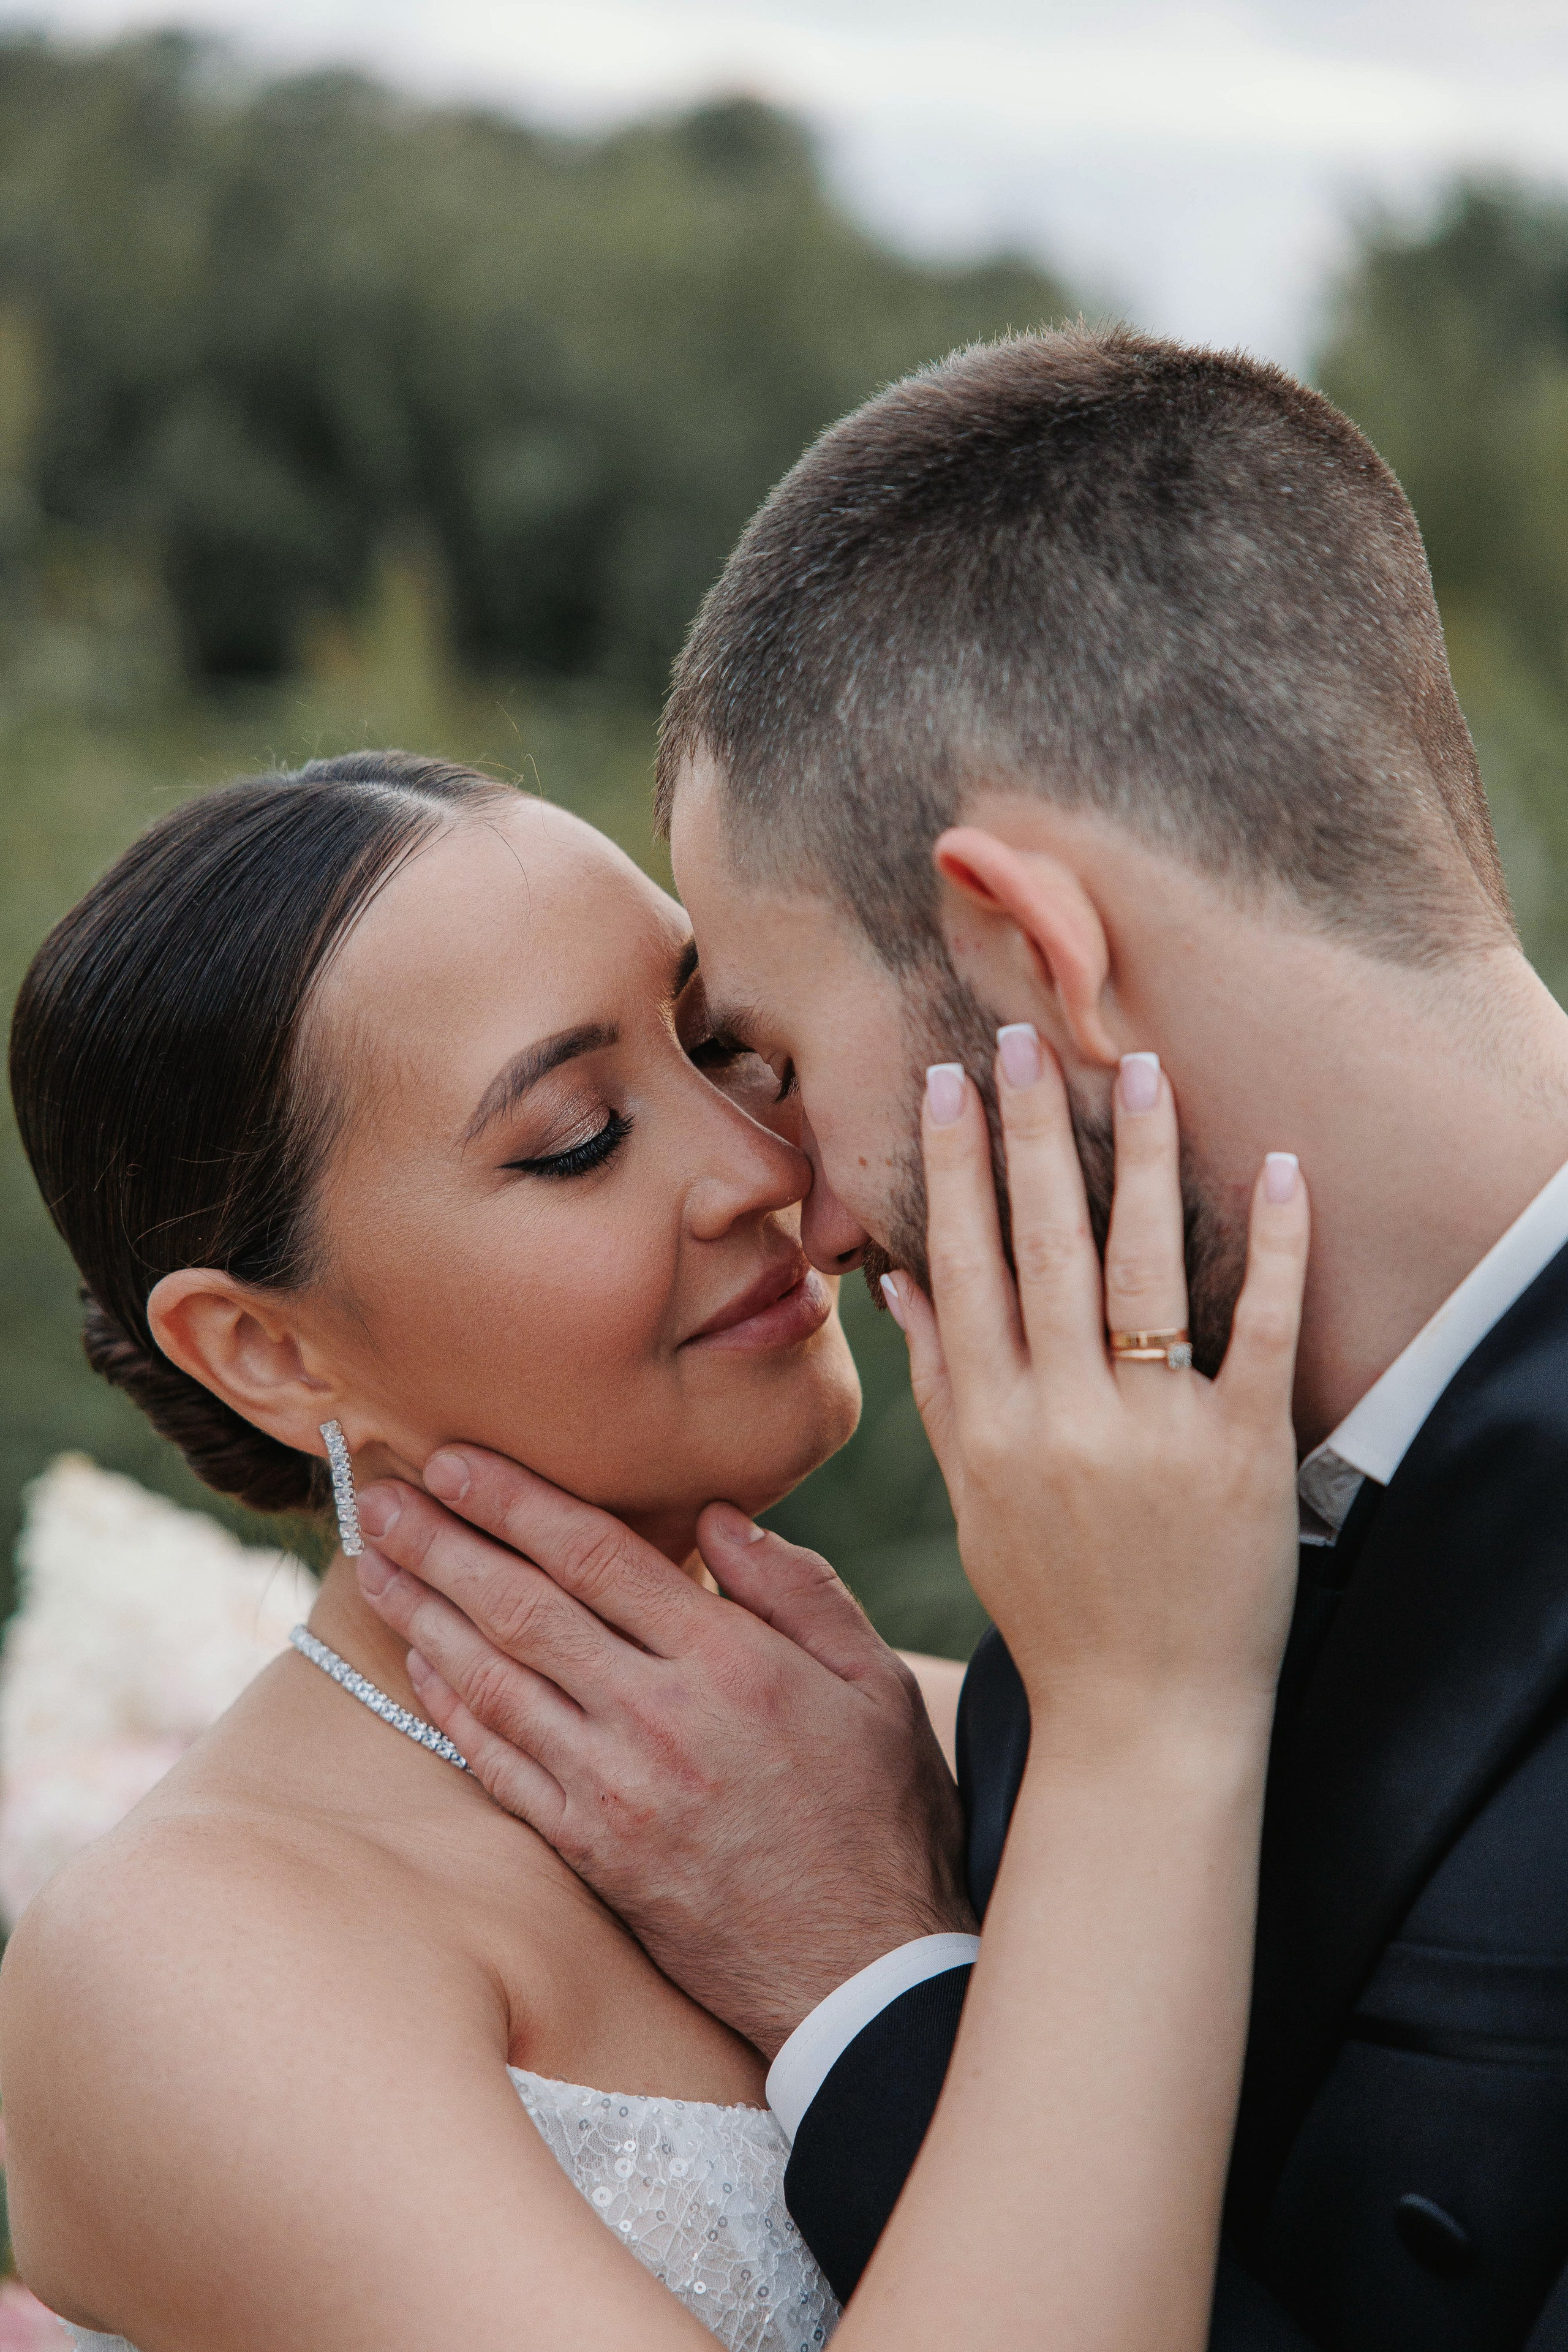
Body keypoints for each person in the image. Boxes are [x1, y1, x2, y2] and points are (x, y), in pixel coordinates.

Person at [348, 326, 1568, 2351]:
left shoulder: (1111, 1643)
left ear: (1041, 960)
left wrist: (867, 1976)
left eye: (782, 1054)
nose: (805, 1212)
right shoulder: (1108, 1546)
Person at [0, 748, 1311, 2351]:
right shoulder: (184, 1962)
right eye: (574, 1138)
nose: (768, 1169)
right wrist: (1139, 1735)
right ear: (268, 1354)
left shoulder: (962, 1727)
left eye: (720, 1043)